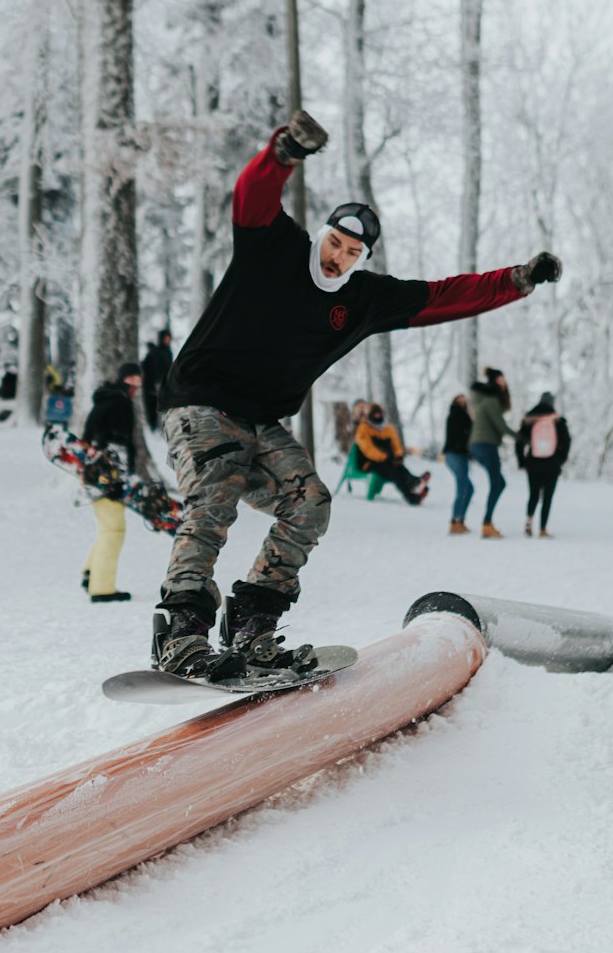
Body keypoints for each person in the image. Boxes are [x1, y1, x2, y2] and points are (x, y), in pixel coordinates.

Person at [153, 110, 562, 678]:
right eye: (334, 242)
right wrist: (285, 152)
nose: (336, 257)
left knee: (311, 503)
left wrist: (515, 280)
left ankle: (253, 623)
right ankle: (181, 631)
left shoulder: (365, 300)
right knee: (213, 498)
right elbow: (252, 197)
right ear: (322, 234)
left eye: (350, 253)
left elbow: (443, 295)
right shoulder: (273, 247)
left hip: (260, 420)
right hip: (200, 400)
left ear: (361, 260)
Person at [80, 363, 143, 603]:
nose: (137, 387)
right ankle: (102, 587)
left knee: (107, 528)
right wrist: (118, 478)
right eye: (133, 381)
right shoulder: (120, 404)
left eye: (139, 380)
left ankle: (91, 573)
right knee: (114, 531)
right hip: (107, 476)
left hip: (94, 472)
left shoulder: (105, 401)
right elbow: (116, 444)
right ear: (125, 381)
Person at [469, 367, 516, 539]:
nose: (504, 383)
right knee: (497, 483)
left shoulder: (484, 399)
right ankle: (487, 524)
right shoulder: (491, 400)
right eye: (500, 380)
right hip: (486, 444)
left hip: (480, 444)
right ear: (494, 381)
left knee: (499, 483)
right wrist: (521, 437)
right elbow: (500, 426)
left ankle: (487, 523)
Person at [516, 391, 571, 538]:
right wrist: (560, 460)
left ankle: (528, 521)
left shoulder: (530, 419)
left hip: (533, 462)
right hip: (551, 463)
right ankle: (543, 529)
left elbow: (519, 442)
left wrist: (522, 461)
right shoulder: (558, 420)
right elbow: (566, 442)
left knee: (533, 494)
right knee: (547, 497)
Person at [353, 403, 429, 505]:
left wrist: (398, 455)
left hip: (387, 461)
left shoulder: (388, 428)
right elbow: (367, 449)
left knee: (399, 466)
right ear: (370, 415)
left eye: (379, 414)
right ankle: (413, 494)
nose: (377, 417)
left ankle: (414, 483)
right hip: (369, 463)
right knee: (395, 473)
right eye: (374, 415)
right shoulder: (363, 428)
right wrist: (383, 457)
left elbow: (396, 444)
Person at [443, 392, 474, 534]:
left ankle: (459, 520)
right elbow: (464, 434)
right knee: (463, 487)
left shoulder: (462, 415)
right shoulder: (457, 415)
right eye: (460, 400)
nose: (463, 402)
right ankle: (455, 521)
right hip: (455, 454)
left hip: (458, 455)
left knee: (468, 488)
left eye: (464, 401)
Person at [141, 329, 173, 431]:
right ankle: (153, 429)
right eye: (166, 338)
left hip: (164, 386)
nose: (167, 340)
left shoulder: (168, 352)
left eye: (169, 338)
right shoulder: (155, 352)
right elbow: (148, 367)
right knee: (152, 410)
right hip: (152, 387)